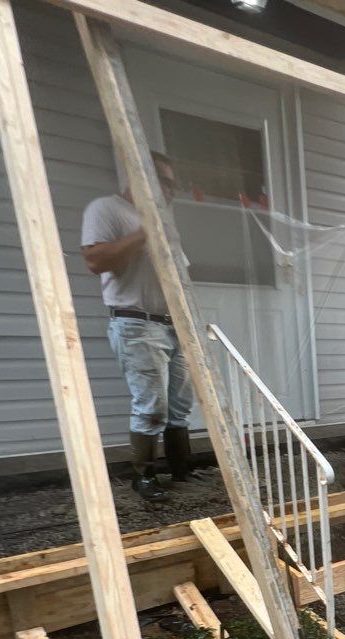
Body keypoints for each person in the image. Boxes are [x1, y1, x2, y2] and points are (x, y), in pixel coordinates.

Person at [81, 151, 200, 505]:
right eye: (165, 181)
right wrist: (145, 232)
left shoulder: (166, 220)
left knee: (181, 404)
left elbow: (180, 274)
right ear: (138, 175)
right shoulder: (107, 209)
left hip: (174, 325)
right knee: (152, 406)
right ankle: (143, 476)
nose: (172, 189)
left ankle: (182, 469)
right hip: (137, 323)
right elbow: (95, 259)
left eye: (172, 183)